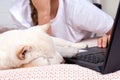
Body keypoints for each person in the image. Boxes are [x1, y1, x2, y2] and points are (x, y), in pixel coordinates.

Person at [9, 0, 114, 48]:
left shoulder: (78, 7)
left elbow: (114, 29)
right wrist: (43, 12)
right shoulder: (18, 12)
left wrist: (109, 37)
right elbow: (43, 51)